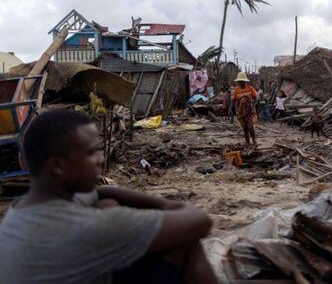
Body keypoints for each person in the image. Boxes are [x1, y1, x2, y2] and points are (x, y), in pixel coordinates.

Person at [0, 110, 217, 284]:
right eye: (91, 152)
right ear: (58, 165)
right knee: (186, 241)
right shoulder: (89, 227)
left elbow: (100, 194)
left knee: (106, 203)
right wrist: (168, 205)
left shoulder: (21, 210)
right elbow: (201, 221)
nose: (100, 159)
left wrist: (106, 194)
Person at [232, 72, 257, 146]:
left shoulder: (250, 88)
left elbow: (255, 99)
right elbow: (234, 101)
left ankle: (254, 140)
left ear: (245, 81)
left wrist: (253, 108)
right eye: (239, 81)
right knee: (245, 128)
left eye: (242, 81)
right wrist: (231, 109)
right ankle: (248, 142)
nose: (240, 83)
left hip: (249, 110)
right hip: (241, 111)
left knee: (250, 126)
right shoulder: (236, 90)